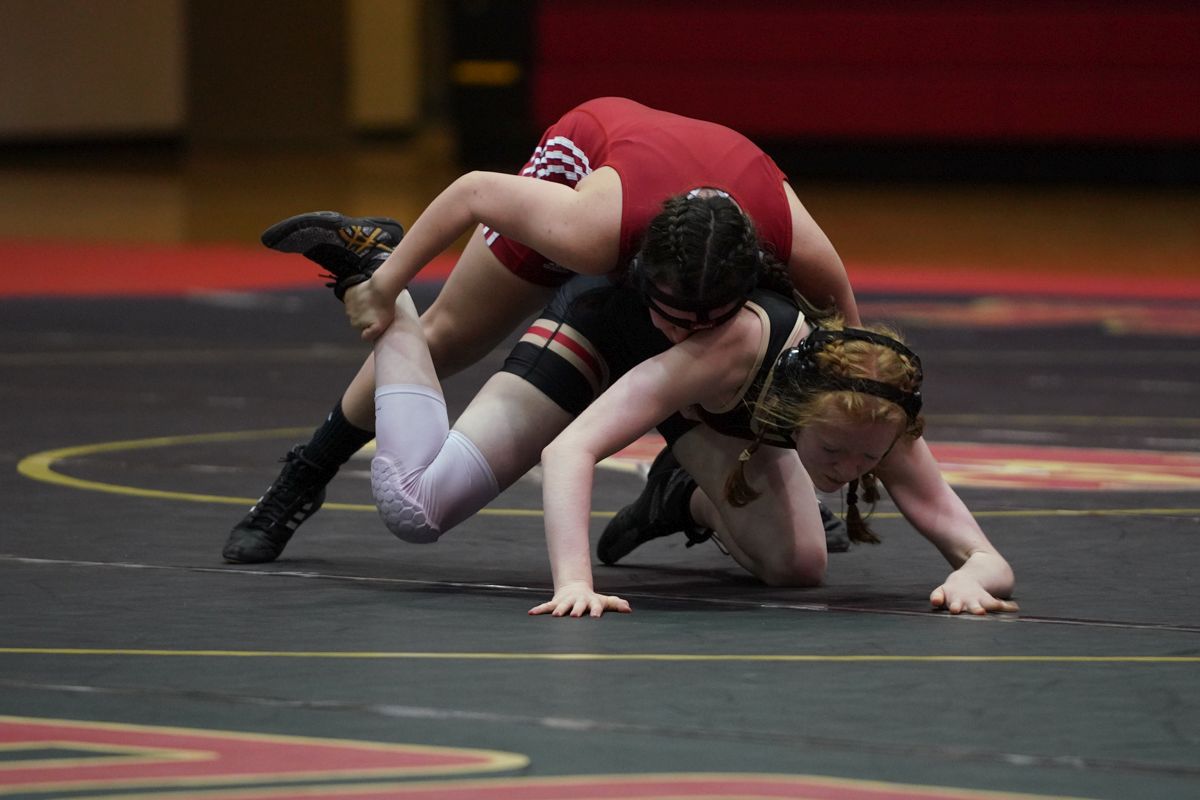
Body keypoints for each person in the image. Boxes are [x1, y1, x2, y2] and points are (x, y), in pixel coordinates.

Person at [275, 192, 1018, 618]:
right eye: (836, 453)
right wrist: (575, 583)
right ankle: (386, 286)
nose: (852, 470)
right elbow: (572, 448)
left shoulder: (871, 407)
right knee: (413, 507)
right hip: (611, 329)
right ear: (799, 407)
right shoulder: (729, 350)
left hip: (689, 394)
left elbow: (987, 557)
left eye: (868, 459)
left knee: (797, 567)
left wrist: (968, 575)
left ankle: (679, 497)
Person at [222, 96, 857, 564]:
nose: (684, 334)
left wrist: (839, 441)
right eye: (670, 317)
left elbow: (852, 360)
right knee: (447, 335)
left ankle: (679, 492)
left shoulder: (792, 243)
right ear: (633, 275)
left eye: (708, 322)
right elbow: (472, 191)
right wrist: (387, 285)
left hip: (692, 220)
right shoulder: (589, 231)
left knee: (796, 557)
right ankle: (304, 474)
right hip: (592, 162)